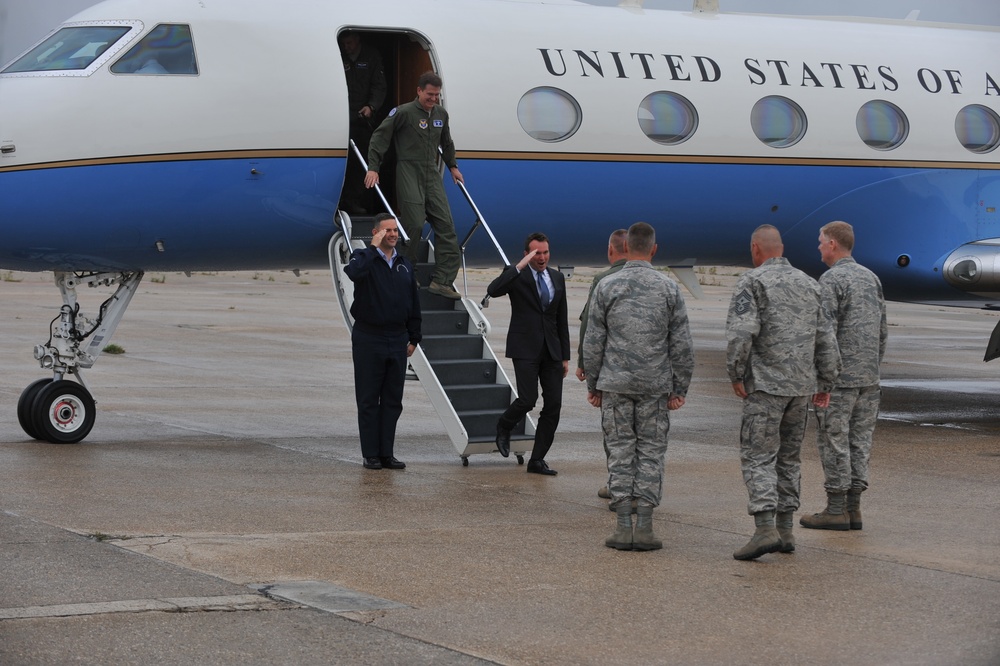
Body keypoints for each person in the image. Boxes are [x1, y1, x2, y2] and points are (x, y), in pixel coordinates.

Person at [726, 224, 841, 560]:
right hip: (801, 388)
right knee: (789, 459)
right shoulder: (809, 283)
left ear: (755, 249)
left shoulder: (753, 281)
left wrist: (735, 373)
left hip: (765, 387)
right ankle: (786, 530)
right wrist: (827, 382)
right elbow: (826, 338)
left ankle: (764, 530)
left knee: (758, 456)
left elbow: (742, 333)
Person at [582, 222, 695, 551]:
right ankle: (644, 527)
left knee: (620, 452)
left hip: (615, 385)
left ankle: (622, 528)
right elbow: (682, 346)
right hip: (655, 386)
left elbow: (593, 342)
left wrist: (593, 384)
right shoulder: (669, 288)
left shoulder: (607, 286)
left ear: (625, 248)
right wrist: (680, 389)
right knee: (650, 454)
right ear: (654, 250)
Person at [800, 221, 888, 531]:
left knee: (833, 440)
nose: (819, 247)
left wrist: (821, 380)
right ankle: (854, 509)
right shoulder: (871, 277)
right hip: (868, 379)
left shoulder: (831, 279)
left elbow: (824, 334)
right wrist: (872, 368)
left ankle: (836, 508)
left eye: (821, 241)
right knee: (860, 441)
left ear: (833, 244)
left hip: (839, 381)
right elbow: (882, 330)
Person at [365, 71, 463, 301]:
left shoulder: (441, 114)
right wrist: (373, 167)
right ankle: (407, 273)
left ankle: (442, 281)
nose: (433, 99)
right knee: (414, 224)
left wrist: (452, 166)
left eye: (437, 95)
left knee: (447, 226)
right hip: (408, 171)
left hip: (431, 172)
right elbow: (380, 137)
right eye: (429, 94)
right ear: (419, 91)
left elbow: (446, 142)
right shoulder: (403, 112)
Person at [488, 232, 571, 475]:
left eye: (545, 252)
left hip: (552, 350)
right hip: (525, 347)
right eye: (537, 253)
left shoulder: (556, 277)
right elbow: (493, 290)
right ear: (527, 254)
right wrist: (517, 267)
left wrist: (564, 354)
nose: (542, 257)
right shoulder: (517, 274)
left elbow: (561, 318)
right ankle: (504, 426)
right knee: (528, 399)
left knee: (553, 405)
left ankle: (537, 459)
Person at [344, 213, 422, 470]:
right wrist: (372, 248)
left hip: (397, 338)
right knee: (368, 399)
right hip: (369, 337)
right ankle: (371, 454)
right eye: (387, 230)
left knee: (392, 400)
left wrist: (414, 337)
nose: (393, 234)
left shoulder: (404, 263)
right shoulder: (362, 258)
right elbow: (354, 273)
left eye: (395, 230)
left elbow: (413, 303)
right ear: (376, 232)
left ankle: (386, 453)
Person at [574, 229, 628, 500]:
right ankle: (641, 487)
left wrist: (585, 366)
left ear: (611, 250)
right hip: (652, 377)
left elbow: (591, 328)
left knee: (616, 433)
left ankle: (617, 484)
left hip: (612, 374)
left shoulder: (603, 280)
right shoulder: (659, 281)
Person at [339, 31, 386, 215]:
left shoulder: (371, 56)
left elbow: (379, 85)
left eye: (350, 43)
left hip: (362, 116)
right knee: (342, 161)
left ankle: (354, 202)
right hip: (342, 116)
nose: (347, 47)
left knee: (359, 164)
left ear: (358, 40)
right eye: (344, 44)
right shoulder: (340, 56)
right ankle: (339, 201)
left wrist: (372, 106)